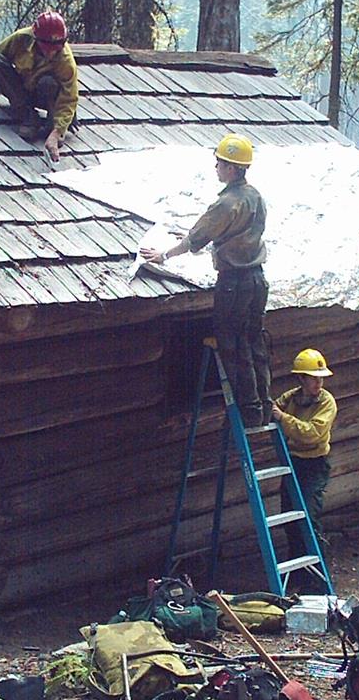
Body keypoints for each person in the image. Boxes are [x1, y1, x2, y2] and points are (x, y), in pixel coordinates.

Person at [141, 133, 271, 428]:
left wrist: (164, 255)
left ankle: (248, 412)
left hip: (234, 283)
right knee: (255, 342)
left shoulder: (227, 203)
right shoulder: (255, 196)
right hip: (257, 280)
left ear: (231, 168)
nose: (216, 168)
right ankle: (263, 405)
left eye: (220, 163)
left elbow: (197, 238)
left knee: (233, 344)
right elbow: (233, 233)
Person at [0, 10, 78, 164]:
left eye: (55, 49)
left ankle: (53, 125)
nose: (51, 53)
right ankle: (28, 116)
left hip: (48, 95)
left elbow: (69, 97)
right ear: (36, 40)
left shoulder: (66, 61)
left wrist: (57, 132)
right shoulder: (21, 38)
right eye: (47, 48)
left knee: (48, 83)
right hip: (23, 89)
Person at [272, 348, 337, 586]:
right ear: (301, 378)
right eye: (313, 378)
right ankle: (298, 572)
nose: (319, 383)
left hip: (314, 465)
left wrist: (283, 419)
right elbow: (274, 407)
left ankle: (318, 578)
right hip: (293, 463)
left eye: (321, 378)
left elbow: (311, 433)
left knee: (309, 517)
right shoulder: (291, 398)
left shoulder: (327, 402)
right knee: (290, 517)